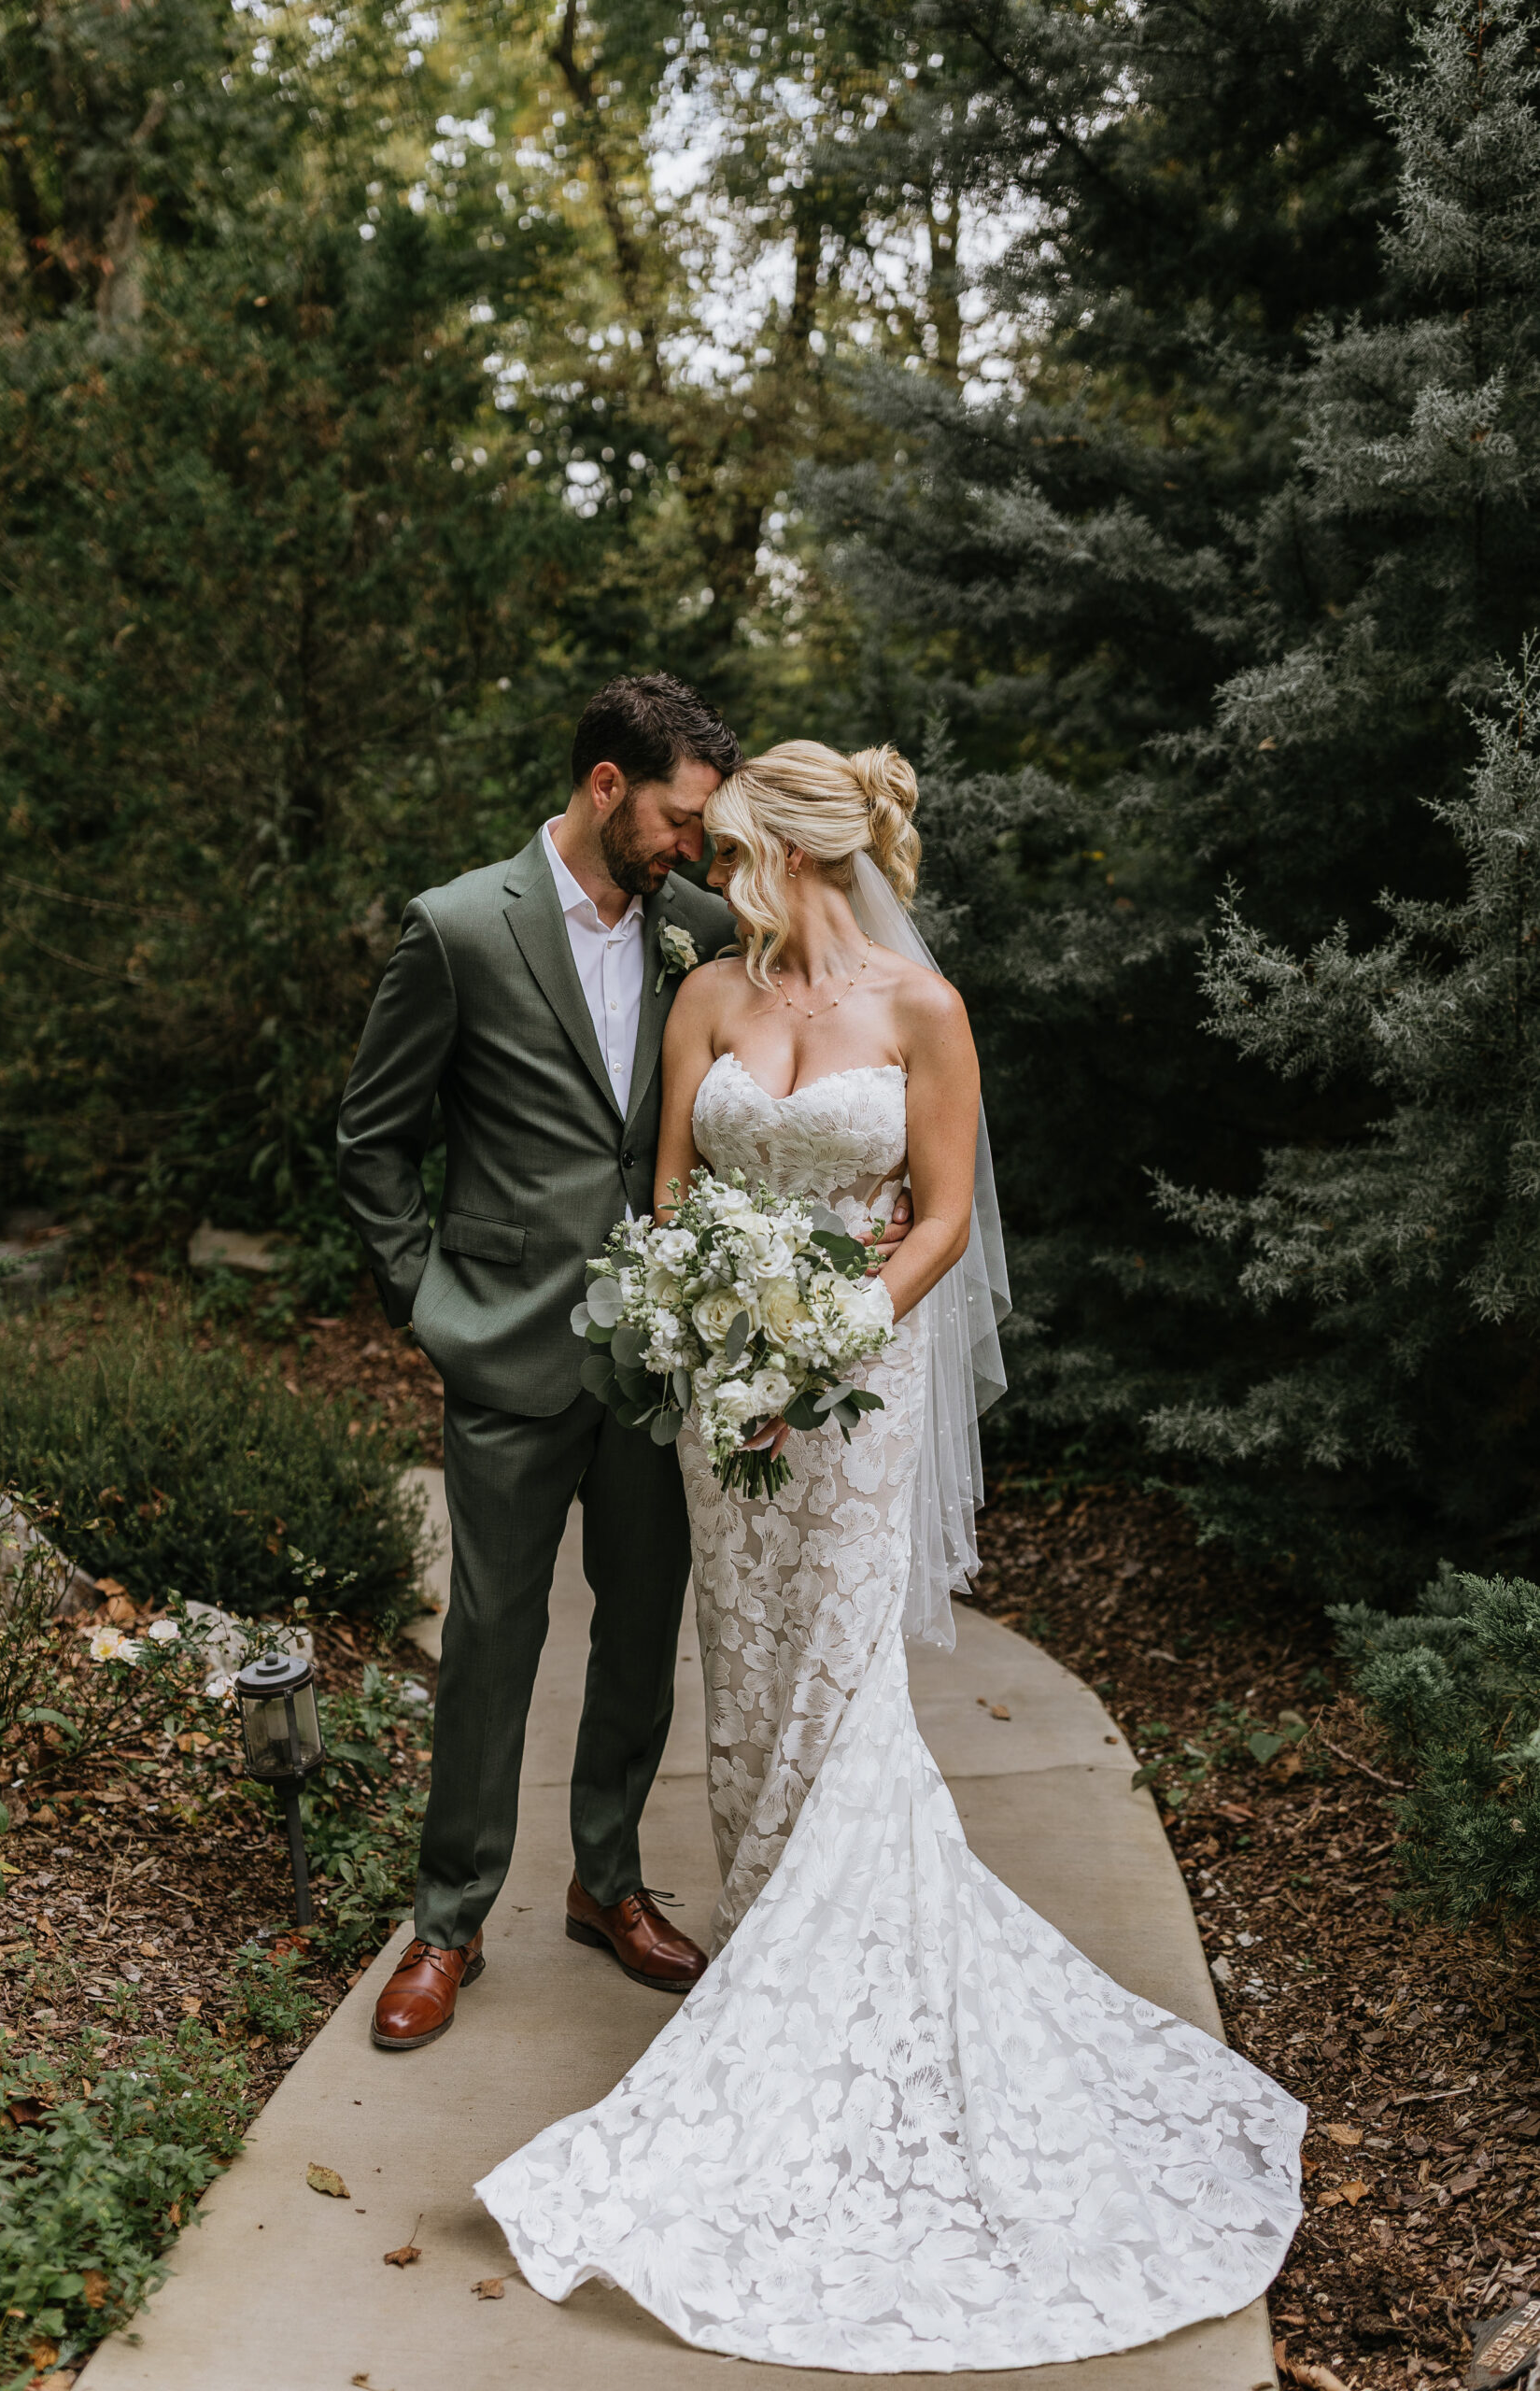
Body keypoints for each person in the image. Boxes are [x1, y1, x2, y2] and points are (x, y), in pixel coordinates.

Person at [475, 739, 1306, 2371]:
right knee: (753, 1669)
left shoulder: (922, 1013)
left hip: (854, 1390)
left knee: (842, 1683)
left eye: (730, 850)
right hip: (728, 1395)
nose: (709, 871)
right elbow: (666, 1205)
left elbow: (934, 1216)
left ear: (793, 853)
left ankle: (823, 1990)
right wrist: (699, 1344)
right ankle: (770, 1939)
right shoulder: (707, 998)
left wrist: (827, 1338)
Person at [336, 674, 742, 2049]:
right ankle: (447, 1924)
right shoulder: (459, 929)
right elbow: (372, 1142)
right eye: (682, 818)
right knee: (493, 1644)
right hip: (506, 1353)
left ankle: (608, 1881)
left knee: (639, 1638)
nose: (696, 847)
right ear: (608, 787)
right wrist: (429, 1304)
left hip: (655, 1361)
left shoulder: (701, 929)